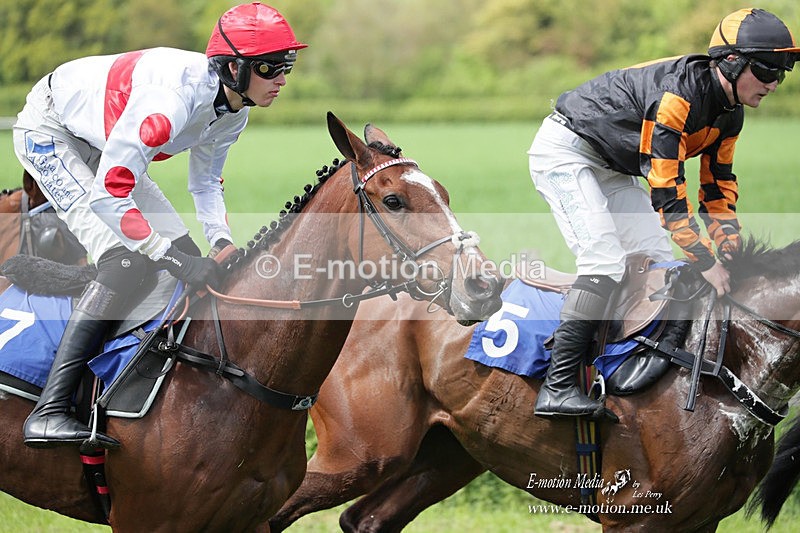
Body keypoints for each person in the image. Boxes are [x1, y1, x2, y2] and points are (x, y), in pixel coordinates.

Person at [12, 2, 307, 448]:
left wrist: (221, 243)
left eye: (287, 65)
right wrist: (167, 256)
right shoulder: (167, 106)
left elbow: (206, 183)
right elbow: (111, 195)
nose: (282, 79)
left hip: (103, 139)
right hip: (52, 132)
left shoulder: (235, 109)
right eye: (270, 67)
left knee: (189, 260)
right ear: (231, 67)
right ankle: (49, 410)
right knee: (124, 262)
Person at [528, 8, 800, 419]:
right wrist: (704, 258)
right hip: (566, 151)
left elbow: (717, 187)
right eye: (766, 70)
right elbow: (666, 188)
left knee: (659, 262)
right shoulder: (679, 96)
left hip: (614, 166)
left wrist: (728, 249)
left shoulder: (731, 114)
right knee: (603, 259)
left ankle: (626, 360)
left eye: (784, 71)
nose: (775, 83)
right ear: (732, 61)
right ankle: (558, 384)